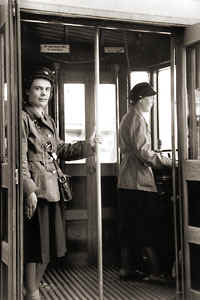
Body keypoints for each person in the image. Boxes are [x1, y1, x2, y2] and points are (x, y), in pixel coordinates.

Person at [22, 67, 97, 300]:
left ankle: (32, 287)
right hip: (38, 190)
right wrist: (29, 190)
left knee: (48, 245)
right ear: (28, 92)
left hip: (53, 189)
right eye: (38, 89)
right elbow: (19, 158)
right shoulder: (22, 119)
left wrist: (88, 145)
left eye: (47, 89)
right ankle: (31, 291)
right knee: (35, 247)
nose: (43, 93)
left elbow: (60, 149)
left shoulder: (48, 121)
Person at [117, 82, 173, 280]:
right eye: (150, 99)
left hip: (128, 181)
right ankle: (157, 272)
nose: (152, 103)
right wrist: (170, 162)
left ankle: (127, 268)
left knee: (131, 227)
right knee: (147, 227)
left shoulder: (128, 117)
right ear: (140, 100)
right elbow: (143, 154)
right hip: (138, 182)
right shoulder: (137, 119)